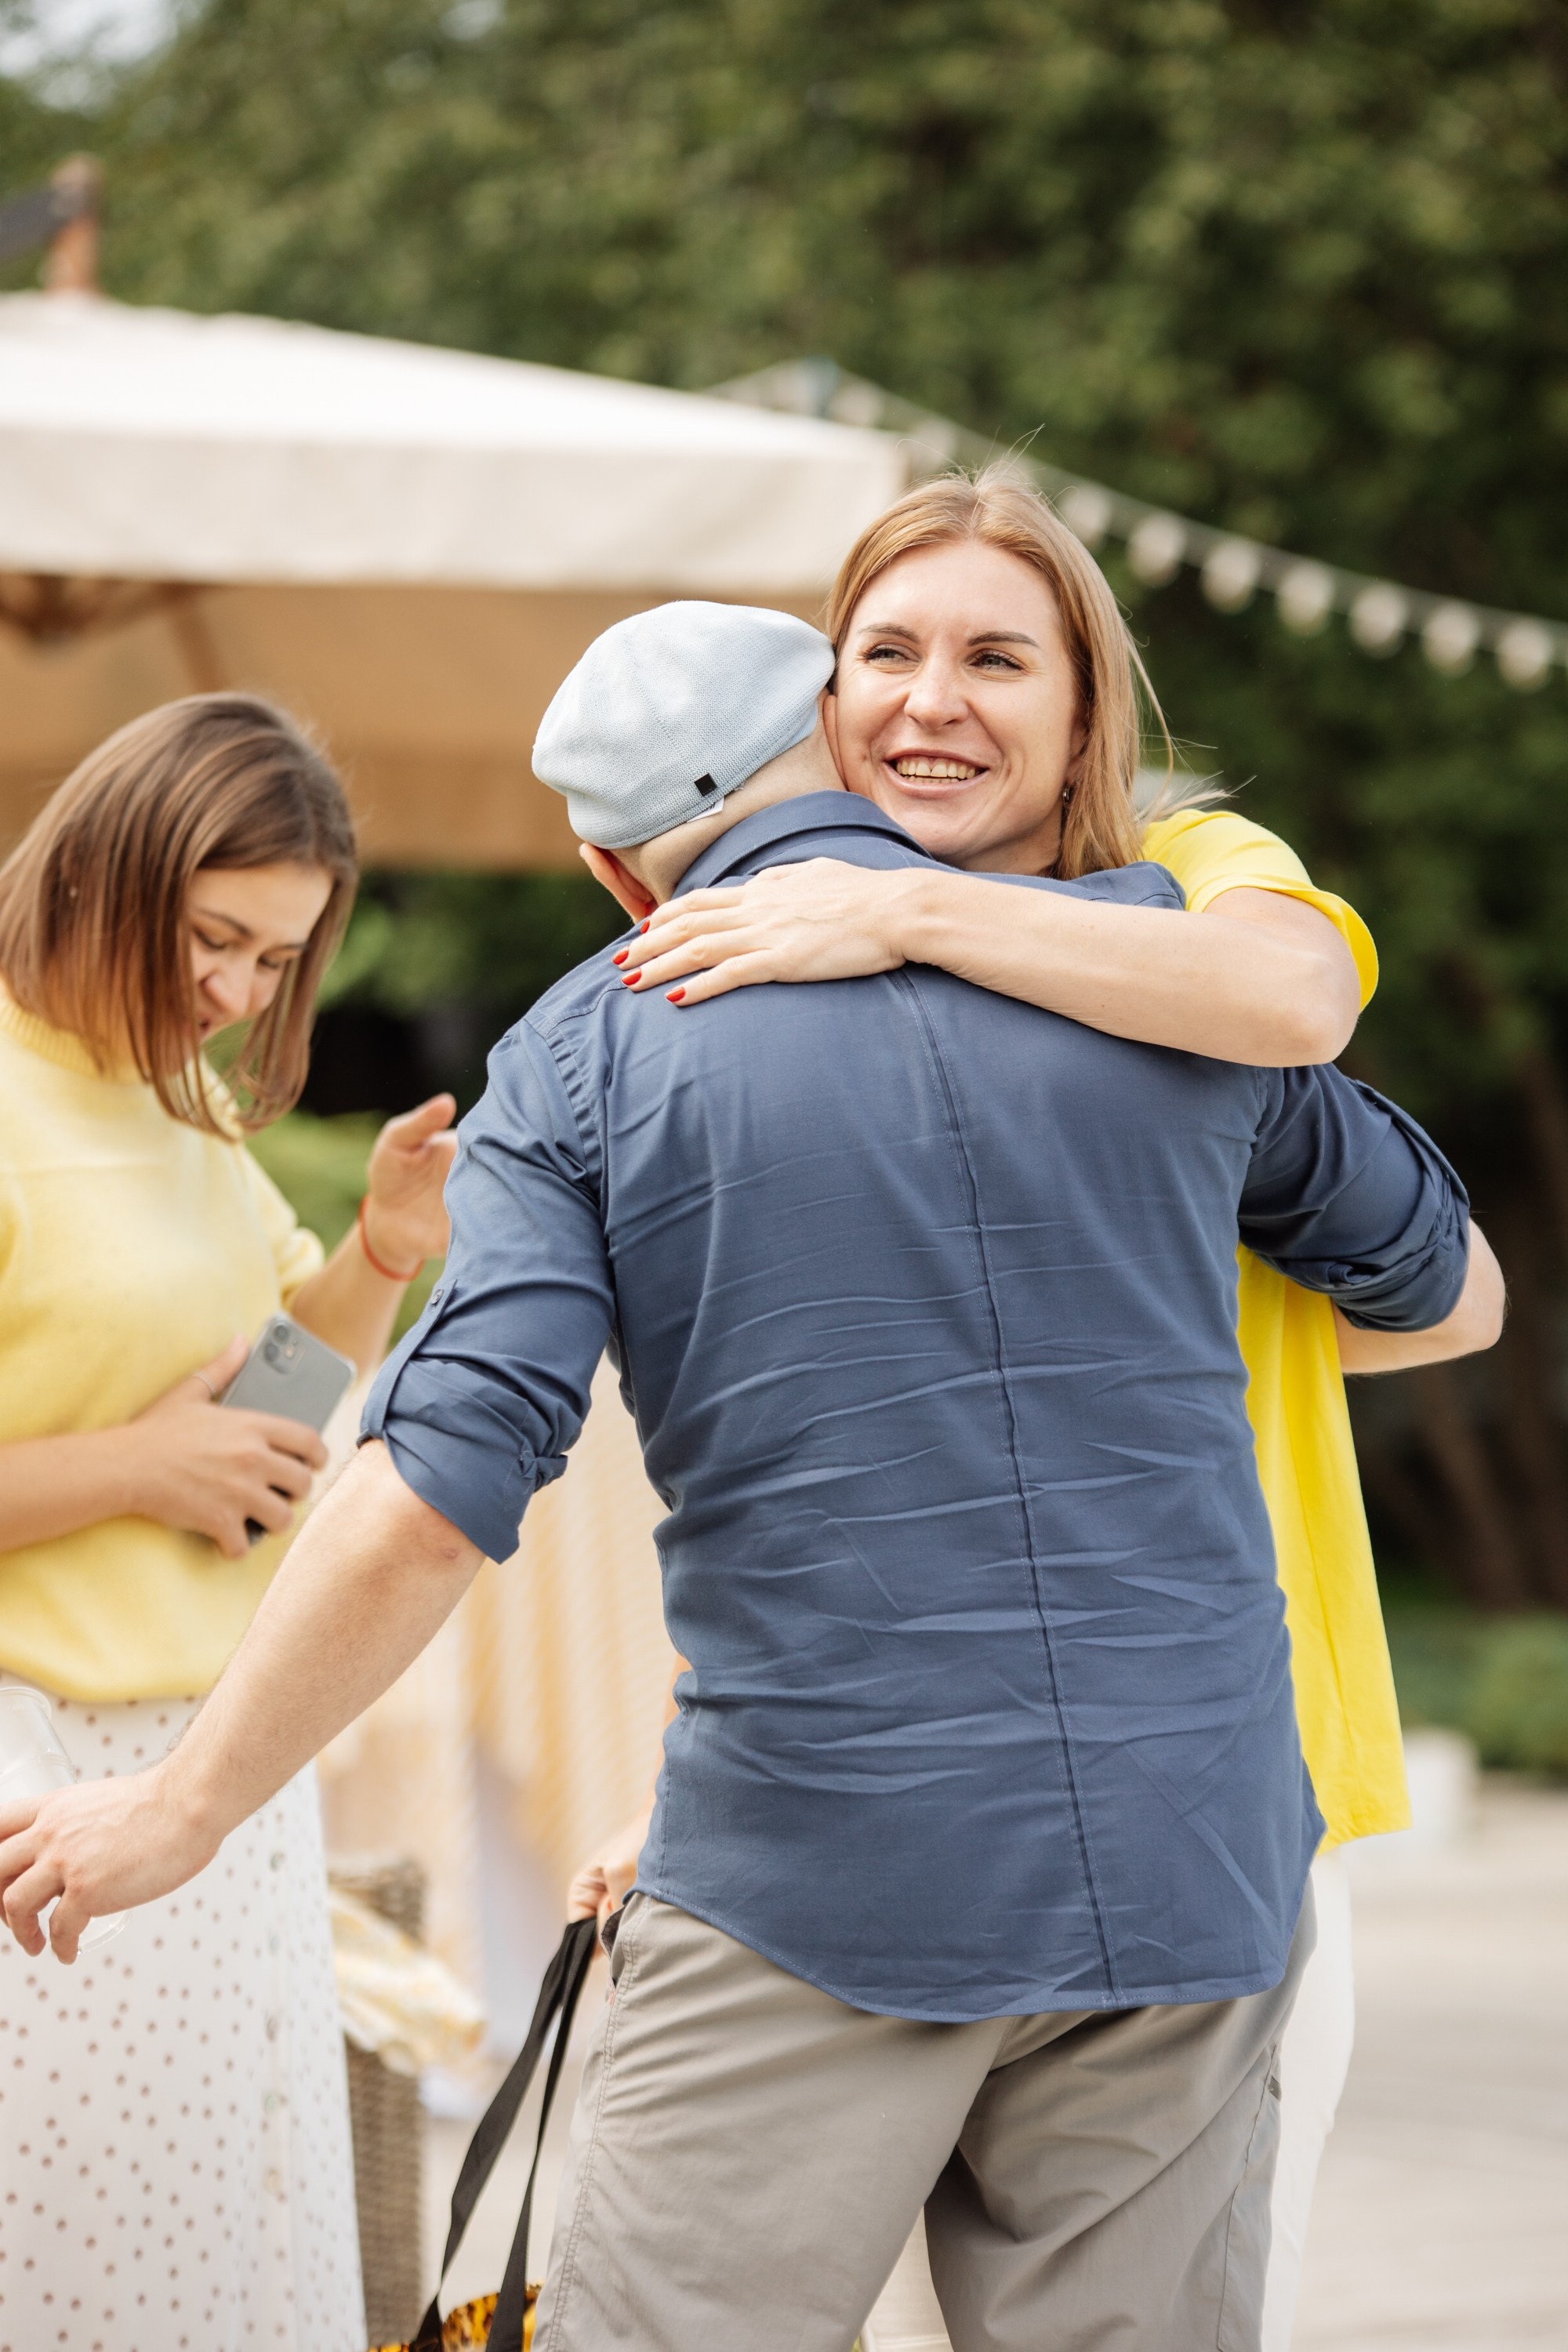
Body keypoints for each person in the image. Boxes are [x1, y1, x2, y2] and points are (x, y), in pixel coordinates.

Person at [0, 604, 1497, 2352]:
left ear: (609, 870)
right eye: (223, 943)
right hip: (1187, 1850)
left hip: (815, 1857)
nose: (240, 989)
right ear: (841, 736)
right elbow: (1450, 1289)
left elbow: (410, 1473)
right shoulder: (1147, 966)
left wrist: (189, 1793)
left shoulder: (552, 1054)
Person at [580, 473, 1475, 2350]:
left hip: (1216, 1774)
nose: (929, 701)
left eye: (998, 657)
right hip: (872, 1811)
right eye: (882, 655)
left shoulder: (1194, 876)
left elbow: (1322, 1049)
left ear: (1085, 713)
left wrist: (904, 914)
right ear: (814, 706)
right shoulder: (749, 987)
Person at [0, 695, 456, 2352]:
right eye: (214, 939)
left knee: (219, 2273)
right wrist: (135, 1467)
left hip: (211, 1781)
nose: (236, 995)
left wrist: (386, 1252)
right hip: (31, 1786)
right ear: (103, 870)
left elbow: (268, 1401)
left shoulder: (180, 1108)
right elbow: (182, 1455)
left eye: (275, 961)